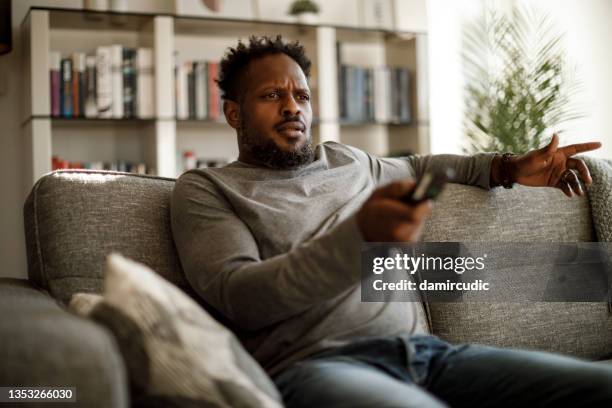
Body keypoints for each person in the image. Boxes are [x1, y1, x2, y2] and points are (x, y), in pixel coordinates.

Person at [170, 36, 611, 407]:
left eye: (301, 95)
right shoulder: (207, 188)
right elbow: (239, 294)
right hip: (319, 368)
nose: (292, 107)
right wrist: (360, 237)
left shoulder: (348, 161)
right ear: (234, 113)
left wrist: (508, 168)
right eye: (272, 95)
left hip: (431, 357)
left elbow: (424, 168)